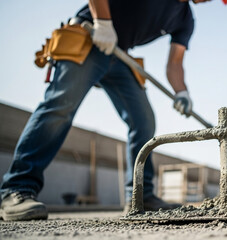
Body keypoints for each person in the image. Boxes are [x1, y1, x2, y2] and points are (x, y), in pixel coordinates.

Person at [0, 0, 211, 221]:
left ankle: (140, 196)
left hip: (119, 53)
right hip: (90, 34)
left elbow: (175, 62)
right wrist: (102, 22)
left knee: (143, 121)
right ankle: (16, 189)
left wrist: (182, 93)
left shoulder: (185, 19)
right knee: (60, 107)